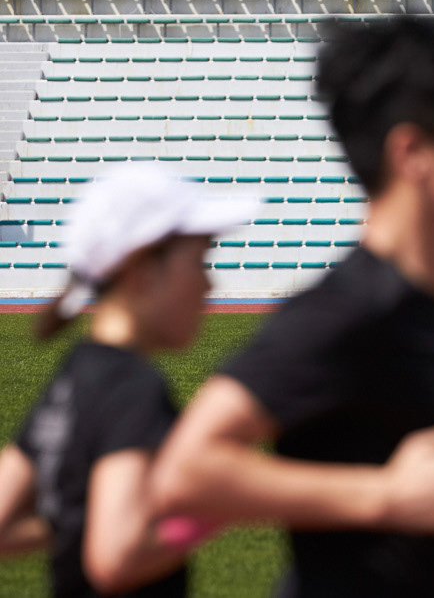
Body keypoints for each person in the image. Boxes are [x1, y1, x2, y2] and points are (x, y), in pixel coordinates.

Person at [151, 17, 434, 598]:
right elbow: (184, 470)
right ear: (413, 152)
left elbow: (419, 513)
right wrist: (383, 494)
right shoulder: (346, 313)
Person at [0, 165, 252, 597]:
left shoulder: (74, 373)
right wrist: (216, 508)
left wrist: (78, 520)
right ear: (142, 270)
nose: (209, 284)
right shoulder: (133, 387)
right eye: (198, 262)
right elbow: (118, 558)